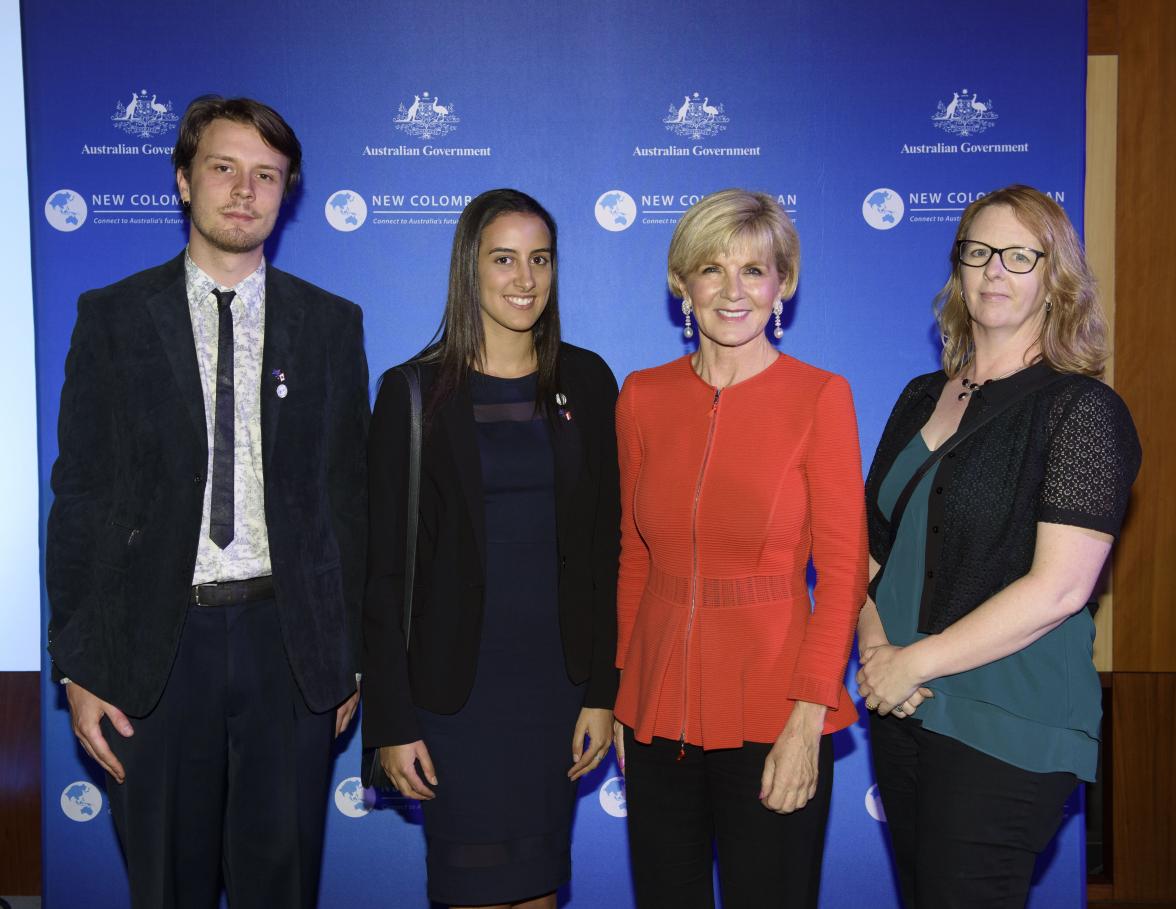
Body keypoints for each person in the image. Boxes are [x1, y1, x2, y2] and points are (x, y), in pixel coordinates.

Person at [46, 96, 369, 908]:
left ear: (286, 192)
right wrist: (78, 664)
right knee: (167, 887)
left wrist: (350, 653)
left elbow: (348, 499)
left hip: (288, 647)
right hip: (153, 648)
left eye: (266, 175)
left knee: (281, 887)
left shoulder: (331, 325)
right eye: (224, 168)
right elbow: (80, 494)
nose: (244, 191)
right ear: (184, 181)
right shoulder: (113, 318)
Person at [856, 185, 1141, 908]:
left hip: (1007, 713)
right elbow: (870, 549)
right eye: (978, 252)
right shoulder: (922, 395)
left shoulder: (1081, 409)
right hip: (903, 701)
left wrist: (911, 660)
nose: (995, 271)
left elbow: (1061, 589)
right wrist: (877, 653)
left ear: (1056, 278)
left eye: (1021, 256)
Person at [362, 188, 620, 909]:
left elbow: (607, 552)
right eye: (503, 259)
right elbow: (381, 575)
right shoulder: (413, 393)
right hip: (453, 697)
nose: (525, 279)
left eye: (540, 258)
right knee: (471, 890)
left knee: (538, 890)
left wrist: (603, 691)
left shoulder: (590, 382)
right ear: (468, 269)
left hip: (556, 692)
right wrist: (393, 720)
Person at [613, 189, 867, 908]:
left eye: (754, 271)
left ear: (782, 284)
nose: (733, 291)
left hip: (776, 710)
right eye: (712, 269)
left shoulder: (820, 395)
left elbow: (844, 567)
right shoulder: (641, 396)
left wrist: (809, 714)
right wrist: (628, 696)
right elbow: (635, 558)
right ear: (681, 284)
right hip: (658, 713)